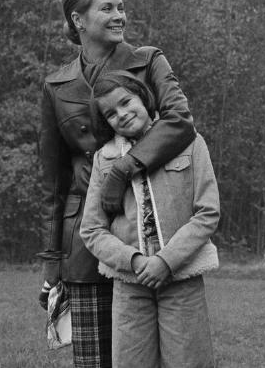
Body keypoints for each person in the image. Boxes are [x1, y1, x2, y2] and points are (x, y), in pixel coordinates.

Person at [37, 0, 195, 367]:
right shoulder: (56, 86)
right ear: (78, 20)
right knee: (93, 360)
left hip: (148, 234)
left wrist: (124, 168)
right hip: (85, 243)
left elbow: (180, 121)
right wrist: (51, 259)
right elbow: (53, 182)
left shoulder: (149, 61)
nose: (119, 15)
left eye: (120, 7)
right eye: (107, 8)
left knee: (151, 357)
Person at [80, 71, 219, 368]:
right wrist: (133, 260)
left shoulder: (190, 144)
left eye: (126, 102)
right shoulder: (104, 159)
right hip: (130, 284)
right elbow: (92, 230)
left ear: (143, 97)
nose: (123, 114)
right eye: (111, 114)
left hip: (181, 279)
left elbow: (207, 213)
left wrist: (165, 260)